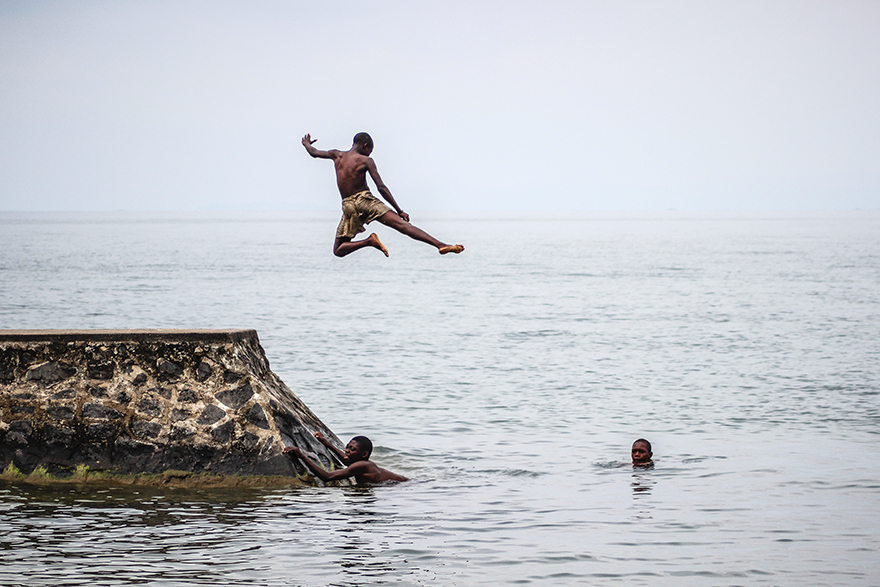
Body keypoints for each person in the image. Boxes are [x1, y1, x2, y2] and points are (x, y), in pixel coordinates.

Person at [302, 132, 465, 257]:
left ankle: (368, 241)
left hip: (348, 206)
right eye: (370, 151)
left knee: (338, 250)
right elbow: (381, 187)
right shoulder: (365, 161)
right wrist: (398, 209)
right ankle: (439, 245)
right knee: (403, 226)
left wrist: (306, 144)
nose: (369, 154)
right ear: (365, 146)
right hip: (365, 200)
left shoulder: (336, 155)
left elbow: (314, 152)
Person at [283, 431, 409, 484]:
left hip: (404, 485)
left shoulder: (362, 465)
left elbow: (327, 477)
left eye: (352, 449)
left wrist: (301, 455)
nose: (347, 451)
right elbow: (345, 459)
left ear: (364, 454)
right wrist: (325, 442)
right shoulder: (363, 463)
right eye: (347, 447)